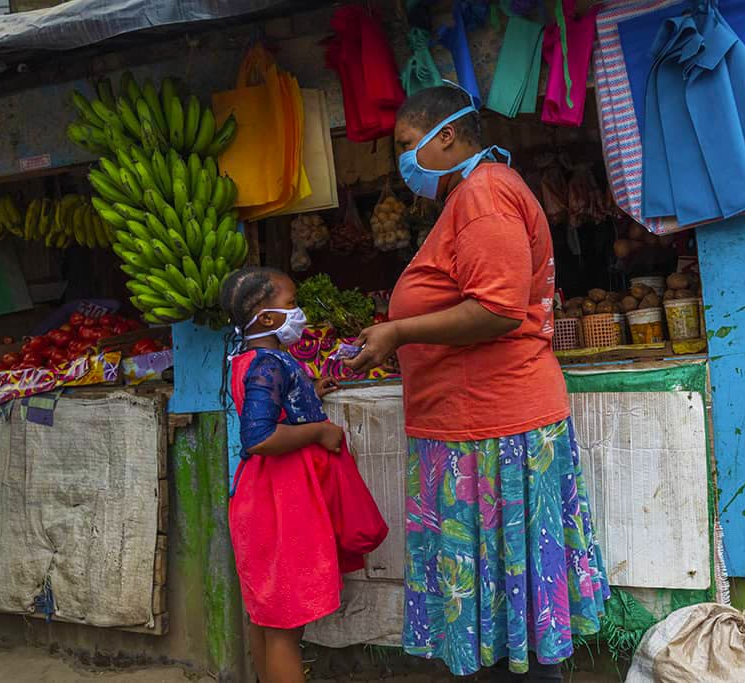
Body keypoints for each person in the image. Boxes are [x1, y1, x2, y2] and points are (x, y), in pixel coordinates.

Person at [346, 85, 610, 680]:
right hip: (475, 426)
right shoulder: (477, 193)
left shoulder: (484, 196)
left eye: (407, 145)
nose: (402, 162)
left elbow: (497, 310)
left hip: (493, 431)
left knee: (513, 606)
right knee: (500, 600)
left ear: (446, 136)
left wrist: (398, 332)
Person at [221, 266, 387, 683]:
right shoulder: (267, 364)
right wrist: (320, 430)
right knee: (284, 627)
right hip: (279, 500)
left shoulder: (253, 359)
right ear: (265, 315)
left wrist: (308, 393)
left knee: (265, 615)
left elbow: (269, 405)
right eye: (291, 304)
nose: (299, 314)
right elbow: (259, 436)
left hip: (261, 496)